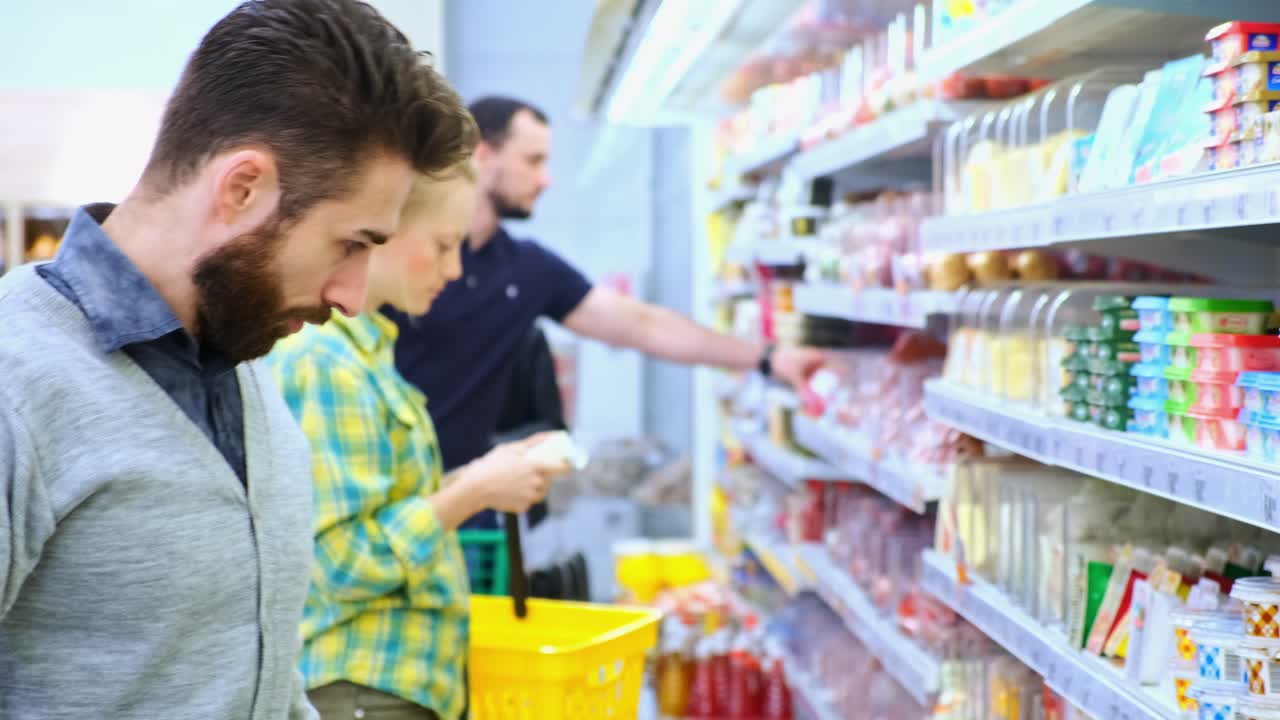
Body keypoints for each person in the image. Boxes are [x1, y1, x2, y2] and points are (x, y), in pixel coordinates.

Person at [0, 1, 475, 718]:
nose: (351, 296)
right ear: (242, 188)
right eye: (351, 243)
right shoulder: (18, 381)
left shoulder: (247, 370)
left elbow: (261, 678)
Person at [389, 96, 827, 528]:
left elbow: (643, 325)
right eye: (533, 160)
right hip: (383, 494)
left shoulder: (527, 268)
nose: (546, 180)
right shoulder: (402, 256)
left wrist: (767, 359)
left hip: (465, 502)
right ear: (484, 155)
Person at [270, 162, 572, 720]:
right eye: (442, 246)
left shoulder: (367, 354)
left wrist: (483, 477)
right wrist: (474, 491)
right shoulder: (326, 363)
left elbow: (380, 507)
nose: (454, 270)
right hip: (360, 685)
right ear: (383, 228)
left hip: (388, 685)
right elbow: (343, 562)